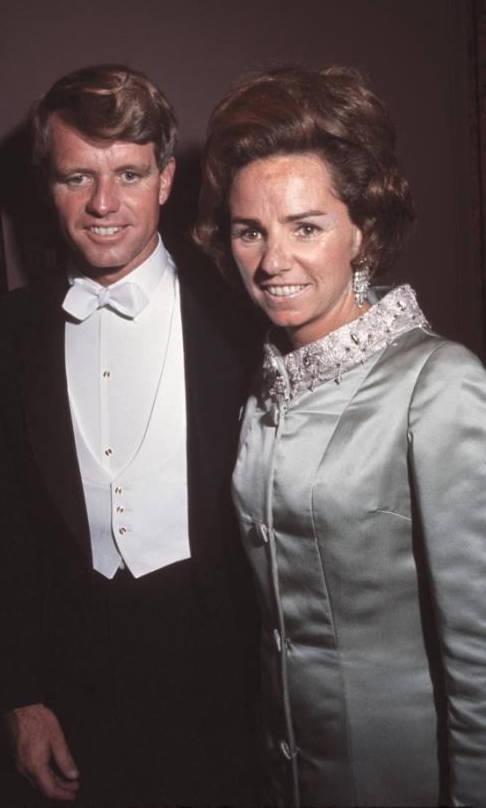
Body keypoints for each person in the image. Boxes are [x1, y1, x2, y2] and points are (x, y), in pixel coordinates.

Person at [0, 64, 261, 806]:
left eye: (128, 173)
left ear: (166, 178)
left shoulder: (244, 310)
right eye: (77, 177)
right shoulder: (1, 335)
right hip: (77, 685)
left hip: (233, 673)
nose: (104, 203)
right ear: (46, 186)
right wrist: (20, 695)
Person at [195, 64, 486, 808]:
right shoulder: (267, 383)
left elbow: (479, 656)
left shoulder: (440, 384)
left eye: (306, 226)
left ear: (364, 229)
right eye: (249, 231)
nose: (272, 261)